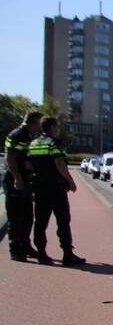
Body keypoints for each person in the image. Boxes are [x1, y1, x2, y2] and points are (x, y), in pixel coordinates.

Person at [27, 117, 85, 265]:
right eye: (57, 127)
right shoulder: (54, 143)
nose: (58, 130)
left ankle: (41, 254)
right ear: (52, 127)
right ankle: (67, 254)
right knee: (63, 221)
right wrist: (71, 182)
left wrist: (40, 172)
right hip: (56, 188)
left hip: (40, 188)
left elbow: (28, 164)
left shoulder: (33, 144)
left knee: (40, 222)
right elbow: (59, 163)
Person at [3, 110, 43, 261]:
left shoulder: (29, 135)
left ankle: (25, 246)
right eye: (39, 123)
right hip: (15, 181)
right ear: (33, 122)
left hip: (25, 181)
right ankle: (15, 250)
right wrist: (17, 177)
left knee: (27, 217)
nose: (40, 127)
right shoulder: (16, 134)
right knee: (15, 217)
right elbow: (10, 157)